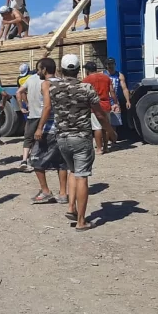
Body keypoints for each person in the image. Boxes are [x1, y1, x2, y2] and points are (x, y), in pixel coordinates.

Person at [48, 54, 117, 232]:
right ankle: (81, 221)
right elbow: (99, 114)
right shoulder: (86, 88)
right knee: (82, 176)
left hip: (62, 137)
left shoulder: (52, 88)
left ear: (61, 70)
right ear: (78, 70)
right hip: (81, 138)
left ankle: (71, 207)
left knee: (72, 171)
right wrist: (109, 130)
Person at [32, 57, 68, 204]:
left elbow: (47, 107)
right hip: (63, 128)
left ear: (45, 70)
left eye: (39, 69)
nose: (37, 71)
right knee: (61, 162)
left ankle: (46, 191)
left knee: (35, 159)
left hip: (50, 129)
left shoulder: (46, 84)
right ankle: (63, 193)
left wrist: (40, 127)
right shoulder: (63, 82)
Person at [83, 61, 119, 154]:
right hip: (106, 104)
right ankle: (106, 147)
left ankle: (99, 148)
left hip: (94, 106)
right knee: (106, 126)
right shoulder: (106, 78)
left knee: (97, 127)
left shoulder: (86, 80)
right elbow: (112, 91)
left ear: (87, 70)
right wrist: (115, 103)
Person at [16, 61, 43, 170]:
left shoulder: (25, 79)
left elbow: (19, 92)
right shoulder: (45, 80)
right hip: (43, 113)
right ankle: (35, 158)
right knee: (40, 137)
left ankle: (24, 160)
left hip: (31, 112)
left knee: (28, 137)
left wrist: (22, 106)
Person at [103, 58, 131, 137]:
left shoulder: (119, 75)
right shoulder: (102, 74)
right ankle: (105, 140)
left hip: (115, 101)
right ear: (106, 65)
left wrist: (127, 101)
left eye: (112, 64)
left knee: (114, 123)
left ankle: (113, 141)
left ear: (115, 64)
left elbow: (124, 89)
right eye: (108, 64)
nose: (110, 66)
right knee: (105, 122)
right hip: (105, 100)